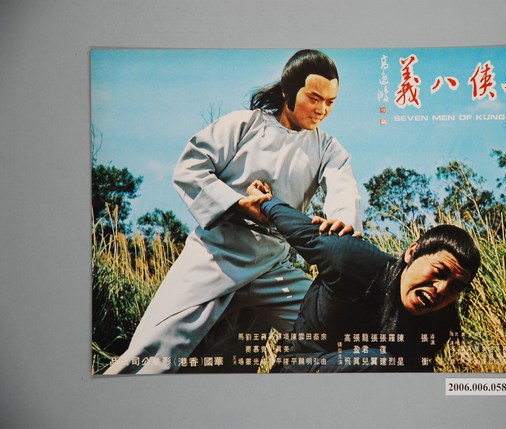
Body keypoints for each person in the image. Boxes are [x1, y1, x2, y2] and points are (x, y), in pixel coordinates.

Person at [104, 49, 362, 374]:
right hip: (214, 256)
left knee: (335, 329)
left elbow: (343, 187)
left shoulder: (327, 148)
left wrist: (342, 221)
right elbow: (190, 168)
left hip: (272, 265)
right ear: (288, 90)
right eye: (314, 98)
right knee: (153, 355)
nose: (322, 110)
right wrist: (240, 204)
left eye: (330, 102)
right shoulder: (244, 124)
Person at [245, 180, 480, 372]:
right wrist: (266, 201)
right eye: (439, 272)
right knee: (380, 363)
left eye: (455, 287)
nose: (441, 289)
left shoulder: (437, 324)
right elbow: (297, 227)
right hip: (299, 372)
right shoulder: (353, 260)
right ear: (412, 252)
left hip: (363, 392)